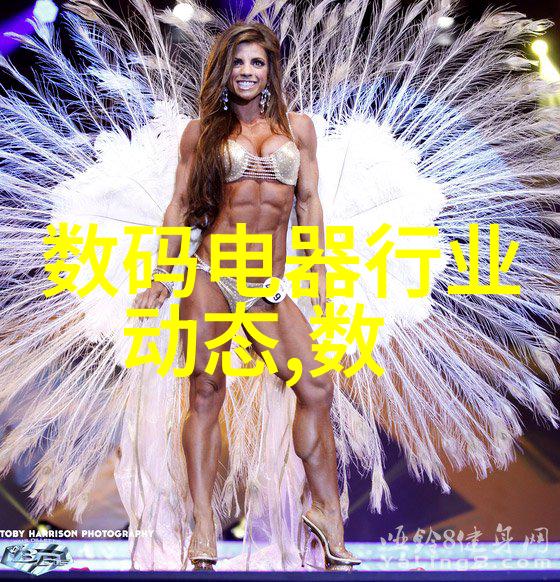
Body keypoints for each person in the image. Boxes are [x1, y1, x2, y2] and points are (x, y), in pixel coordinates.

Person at [132, 22, 360, 571]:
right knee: (206, 391)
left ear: (270, 71)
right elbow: (179, 206)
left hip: (267, 285)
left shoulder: (298, 130)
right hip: (212, 275)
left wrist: (318, 268)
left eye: (257, 63)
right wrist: (163, 274)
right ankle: (203, 526)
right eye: (237, 63)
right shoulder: (201, 135)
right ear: (223, 72)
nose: (246, 72)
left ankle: (326, 512)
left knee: (316, 385)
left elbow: (309, 202)